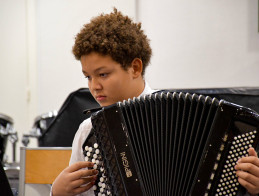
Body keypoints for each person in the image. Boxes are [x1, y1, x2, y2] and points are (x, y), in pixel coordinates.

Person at [51, 8, 259, 196]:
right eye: (88, 77)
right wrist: (58, 193)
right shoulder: (89, 131)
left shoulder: (180, 115)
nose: (94, 86)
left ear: (135, 68)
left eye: (103, 74)